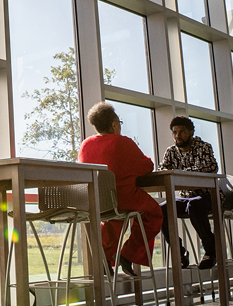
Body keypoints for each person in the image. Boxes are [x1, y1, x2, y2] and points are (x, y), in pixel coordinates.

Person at [79, 102, 161, 276]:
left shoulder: (85, 145)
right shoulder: (122, 142)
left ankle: (104, 259)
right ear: (115, 125)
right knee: (154, 212)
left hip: (95, 201)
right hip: (122, 196)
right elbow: (147, 166)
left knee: (114, 219)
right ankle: (127, 254)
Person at [158, 116, 219, 270]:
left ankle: (211, 252)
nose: (178, 136)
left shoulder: (204, 147)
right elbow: (163, 171)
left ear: (191, 131)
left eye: (182, 132)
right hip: (187, 198)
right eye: (175, 132)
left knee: (195, 205)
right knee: (161, 210)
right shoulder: (171, 152)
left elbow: (211, 167)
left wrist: (179, 172)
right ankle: (179, 252)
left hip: (208, 196)